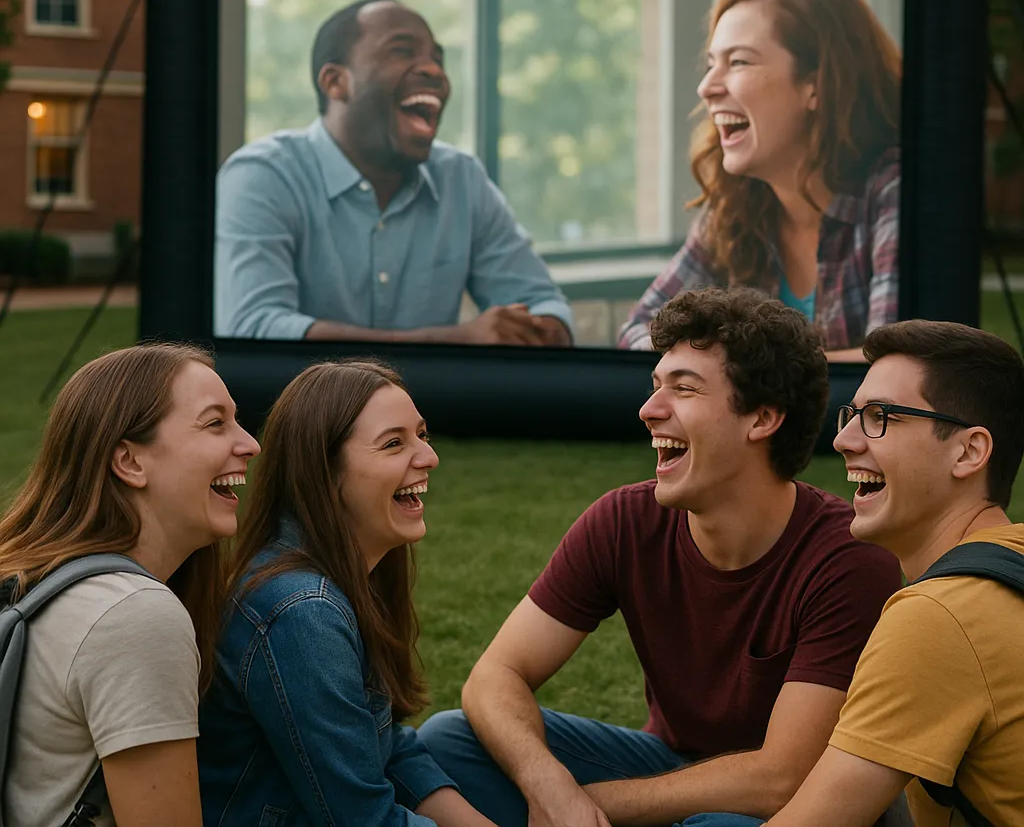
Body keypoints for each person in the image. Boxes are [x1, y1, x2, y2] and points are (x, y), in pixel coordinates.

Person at [418, 287, 903, 827]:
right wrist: (548, 785)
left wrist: (587, 807)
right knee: (449, 741)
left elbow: (781, 778)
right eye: (655, 386)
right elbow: (494, 676)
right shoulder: (625, 520)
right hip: (668, 764)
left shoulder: (850, 559)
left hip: (791, 808)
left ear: (761, 419)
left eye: (684, 389)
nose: (649, 410)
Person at [197, 359, 497, 827]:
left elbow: (385, 743)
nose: (428, 457)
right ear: (325, 472)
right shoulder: (301, 609)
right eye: (394, 443)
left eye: (422, 435)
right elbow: (362, 820)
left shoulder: (348, 572)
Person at [761, 320, 1024, 827]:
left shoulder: (939, 618)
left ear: (968, 451)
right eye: (852, 414)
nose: (842, 439)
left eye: (881, 417)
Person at [0, 343, 260, 827]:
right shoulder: (135, 615)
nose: (250, 444)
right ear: (130, 462)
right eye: (215, 423)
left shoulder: (38, 579)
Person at [216, 0, 573, 347]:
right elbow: (255, 327)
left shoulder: (461, 179)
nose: (434, 70)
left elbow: (544, 303)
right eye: (402, 51)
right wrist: (457, 340)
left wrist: (537, 329)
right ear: (335, 82)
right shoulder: (262, 176)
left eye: (437, 58)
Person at [618, 0, 901, 362]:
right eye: (710, 64)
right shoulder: (735, 206)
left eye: (738, 61)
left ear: (816, 85)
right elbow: (640, 331)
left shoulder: (892, 189)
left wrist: (739, 365)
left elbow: (896, 364)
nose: (706, 87)